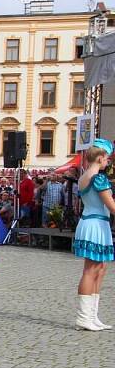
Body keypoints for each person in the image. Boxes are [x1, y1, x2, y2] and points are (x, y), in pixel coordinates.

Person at [72, 138, 115, 331]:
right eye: (107, 158)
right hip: (95, 224)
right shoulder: (98, 178)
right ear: (99, 158)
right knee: (91, 270)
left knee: (100, 268)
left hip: (94, 222)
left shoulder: (84, 177)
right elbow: (111, 205)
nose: (108, 161)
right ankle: (84, 317)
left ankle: (92, 315)